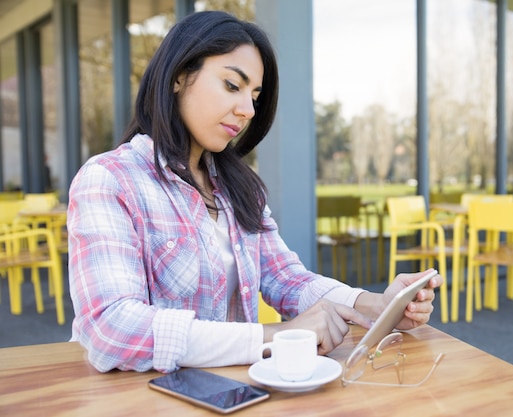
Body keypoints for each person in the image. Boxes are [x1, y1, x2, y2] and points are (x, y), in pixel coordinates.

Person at [67, 10, 441, 374]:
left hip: (228, 392)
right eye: (232, 85)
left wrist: (376, 306)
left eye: (255, 96)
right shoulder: (111, 179)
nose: (246, 109)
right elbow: (111, 328)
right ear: (179, 76)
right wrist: (273, 336)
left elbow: (285, 278)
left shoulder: (238, 187)